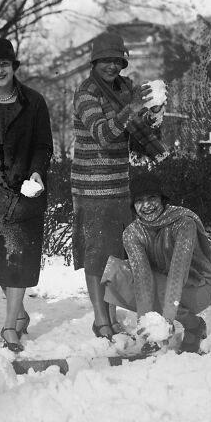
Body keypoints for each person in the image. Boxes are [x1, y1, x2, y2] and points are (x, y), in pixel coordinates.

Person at [71, 31, 169, 340]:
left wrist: (154, 114)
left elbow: (136, 132)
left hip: (119, 185)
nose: (112, 66)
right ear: (94, 62)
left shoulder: (126, 88)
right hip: (91, 187)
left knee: (116, 256)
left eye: (117, 60)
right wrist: (134, 107)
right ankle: (101, 320)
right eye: (105, 61)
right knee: (96, 256)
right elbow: (103, 134)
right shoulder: (86, 92)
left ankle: (111, 318)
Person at [0, 37, 53, 353]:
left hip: (26, 192)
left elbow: (44, 145)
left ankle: (8, 327)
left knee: (19, 260)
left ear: (13, 66)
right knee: (0, 262)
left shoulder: (34, 102)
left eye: (4, 64)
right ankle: (20, 312)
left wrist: (37, 172)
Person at [101, 171, 211, 353]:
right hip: (162, 285)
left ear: (162, 199)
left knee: (160, 287)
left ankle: (191, 325)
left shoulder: (183, 223)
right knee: (117, 272)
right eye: (140, 200)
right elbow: (143, 278)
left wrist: (166, 322)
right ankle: (190, 325)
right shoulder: (132, 233)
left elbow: (178, 272)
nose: (146, 205)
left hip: (198, 286)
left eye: (152, 198)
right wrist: (147, 325)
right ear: (133, 205)